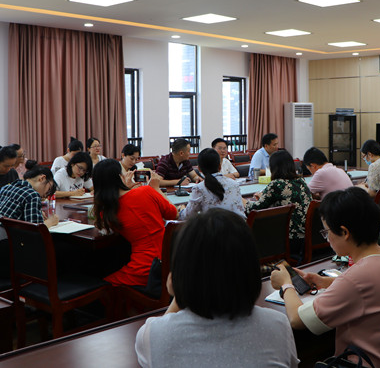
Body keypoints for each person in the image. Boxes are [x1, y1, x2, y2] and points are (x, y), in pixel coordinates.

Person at [270, 187, 380, 368]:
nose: (327, 239)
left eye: (326, 232)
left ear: (345, 232)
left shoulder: (357, 277)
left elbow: (297, 319)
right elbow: (373, 288)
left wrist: (286, 284)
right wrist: (325, 282)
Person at [136, 208, 299, 368]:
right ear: (251, 268)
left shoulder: (152, 334)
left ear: (180, 272)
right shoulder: (278, 325)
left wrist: (180, 295)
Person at [92, 159, 178, 289]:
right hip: (169, 262)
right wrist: (156, 188)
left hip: (144, 269)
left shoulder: (106, 212)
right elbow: (174, 213)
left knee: (104, 285)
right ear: (120, 177)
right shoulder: (146, 191)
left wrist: (126, 189)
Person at [247, 150, 312, 257]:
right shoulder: (301, 181)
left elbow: (254, 209)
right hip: (306, 238)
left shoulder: (277, 184)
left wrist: (243, 202)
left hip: (288, 240)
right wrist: (264, 197)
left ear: (273, 167)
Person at [179, 148, 245, 219]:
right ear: (220, 167)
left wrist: (181, 209)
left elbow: (188, 216)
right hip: (239, 225)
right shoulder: (234, 184)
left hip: (214, 226)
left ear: (199, 169)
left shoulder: (200, 188)